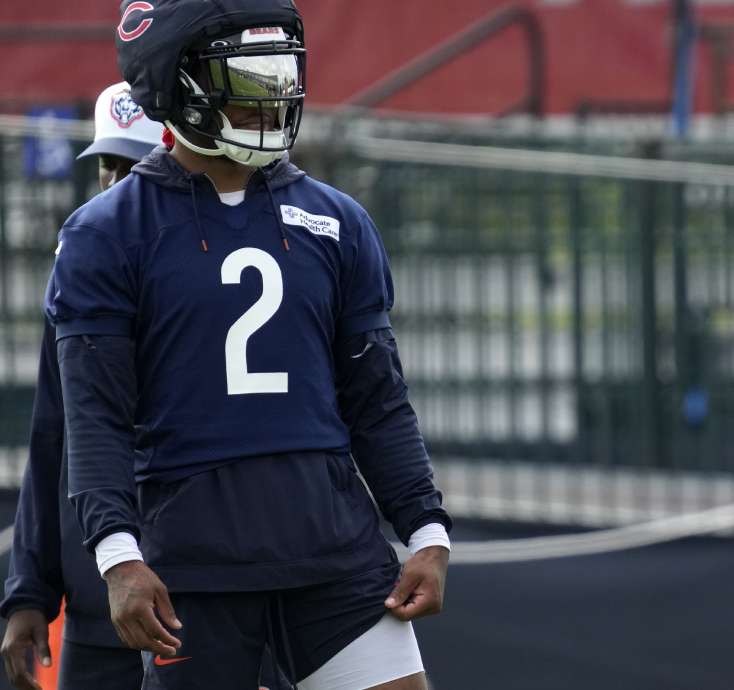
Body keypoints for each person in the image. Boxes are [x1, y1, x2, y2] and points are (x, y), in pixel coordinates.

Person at [47, 1, 451, 689]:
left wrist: (427, 531)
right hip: (194, 567)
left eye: (280, 74)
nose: (273, 96)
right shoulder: (104, 233)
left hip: (333, 551)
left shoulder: (337, 220)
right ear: (176, 81)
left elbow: (378, 400)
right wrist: (117, 556)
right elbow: (96, 418)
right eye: (249, 77)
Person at [1, 80, 163, 690]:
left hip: (202, 603)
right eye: (108, 167)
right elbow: (52, 432)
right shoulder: (77, 269)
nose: (116, 185)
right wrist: (29, 590)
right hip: (98, 606)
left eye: (136, 169)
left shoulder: (206, 276)